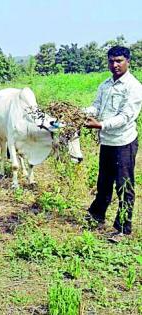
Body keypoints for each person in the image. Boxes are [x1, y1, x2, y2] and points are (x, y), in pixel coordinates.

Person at [84, 45, 142, 242]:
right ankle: (96, 216)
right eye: (111, 61)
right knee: (104, 182)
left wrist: (100, 124)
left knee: (124, 186)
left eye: (119, 61)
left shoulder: (133, 87)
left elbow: (126, 116)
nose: (114, 65)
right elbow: (96, 106)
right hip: (107, 141)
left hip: (123, 142)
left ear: (128, 62)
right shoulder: (106, 85)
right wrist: (78, 114)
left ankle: (123, 229)